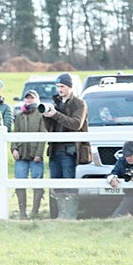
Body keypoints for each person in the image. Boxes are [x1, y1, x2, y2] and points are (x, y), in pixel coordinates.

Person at [42, 72, 90, 220]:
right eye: (58, 86)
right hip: (54, 149)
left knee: (69, 185)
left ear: (70, 87)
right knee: (56, 185)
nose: (59, 89)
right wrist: (47, 116)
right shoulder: (55, 103)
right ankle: (59, 215)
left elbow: (76, 124)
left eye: (62, 86)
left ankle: (69, 216)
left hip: (70, 150)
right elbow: (49, 128)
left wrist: (55, 114)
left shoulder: (79, 103)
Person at [12, 90, 46, 219]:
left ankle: (35, 211)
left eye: (32, 98)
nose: (29, 100)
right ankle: (22, 212)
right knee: (20, 182)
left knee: (37, 182)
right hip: (21, 154)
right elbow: (15, 133)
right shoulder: (19, 115)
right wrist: (14, 149)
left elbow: (43, 135)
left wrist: (39, 154)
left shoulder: (41, 115)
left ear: (36, 99)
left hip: (35, 154)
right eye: (27, 98)